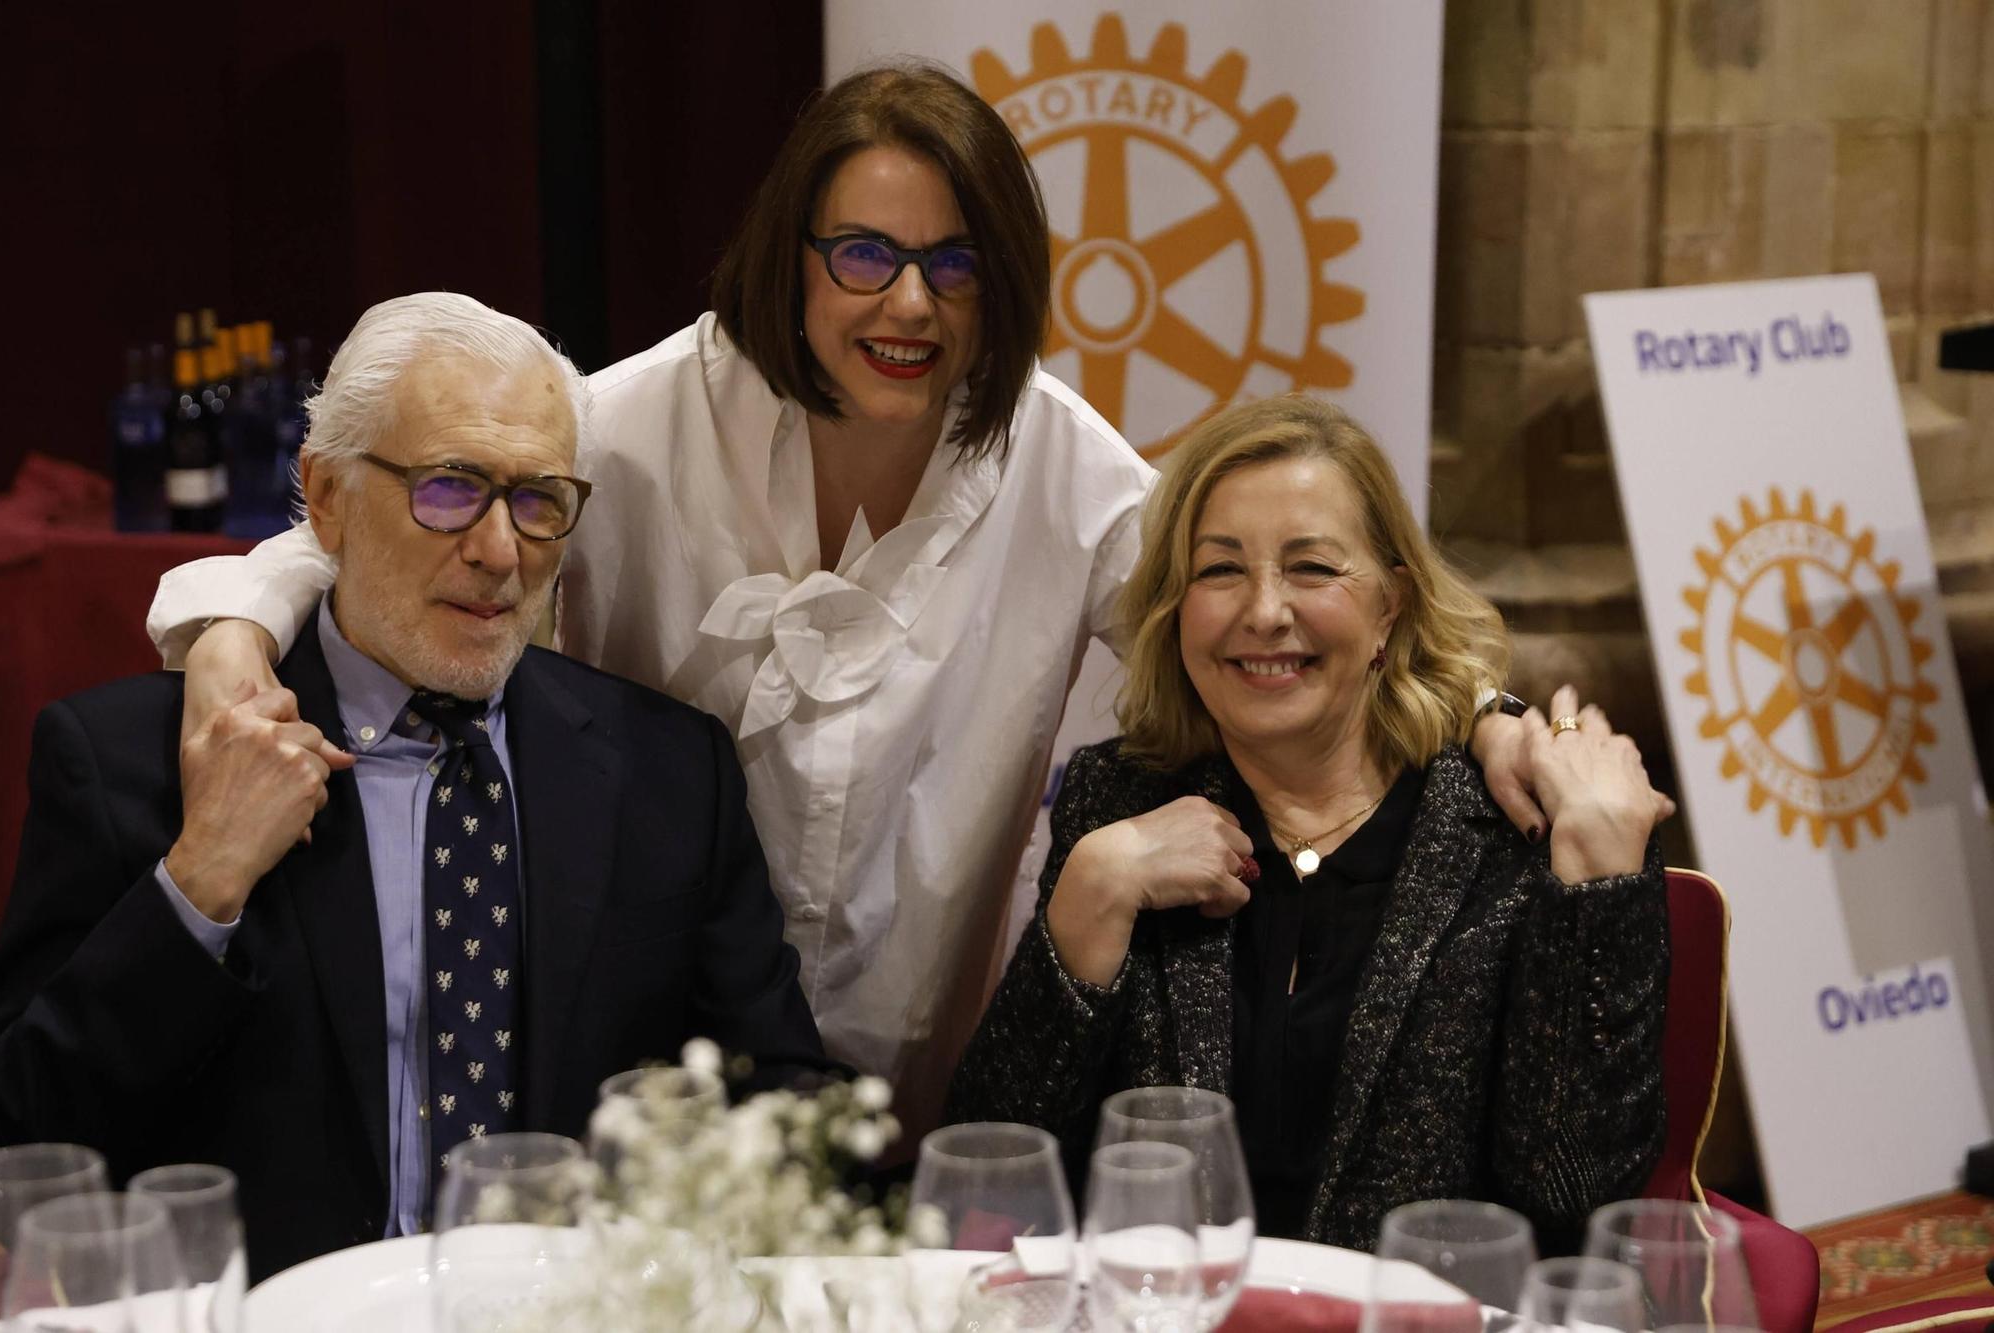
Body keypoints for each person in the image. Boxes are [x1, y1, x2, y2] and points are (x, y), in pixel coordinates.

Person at [144, 65, 1544, 1139]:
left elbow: (1268, 613)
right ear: (793, 253)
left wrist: (1481, 718)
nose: (910, 304)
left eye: (955, 264)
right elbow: (390, 518)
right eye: (865, 255)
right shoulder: (632, 422)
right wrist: (229, 631)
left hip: (927, 1073)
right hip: (633, 1072)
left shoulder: (1067, 471)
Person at [0, 293, 826, 1279]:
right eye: (448, 488)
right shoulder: (134, 764)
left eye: (539, 499)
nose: (499, 550)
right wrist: (200, 883)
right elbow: (21, 1138)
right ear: (329, 495)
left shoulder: (667, 774)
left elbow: (783, 1105)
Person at [946, 395, 1672, 1253]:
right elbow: (987, 1170)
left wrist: (1598, 886)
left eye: (1313, 569)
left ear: (1390, 608)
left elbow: (1569, 1194)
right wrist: (1093, 891)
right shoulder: (1117, 803)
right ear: (1176, 609)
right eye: (1219, 571)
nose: (1263, 611)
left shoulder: (1513, 823)